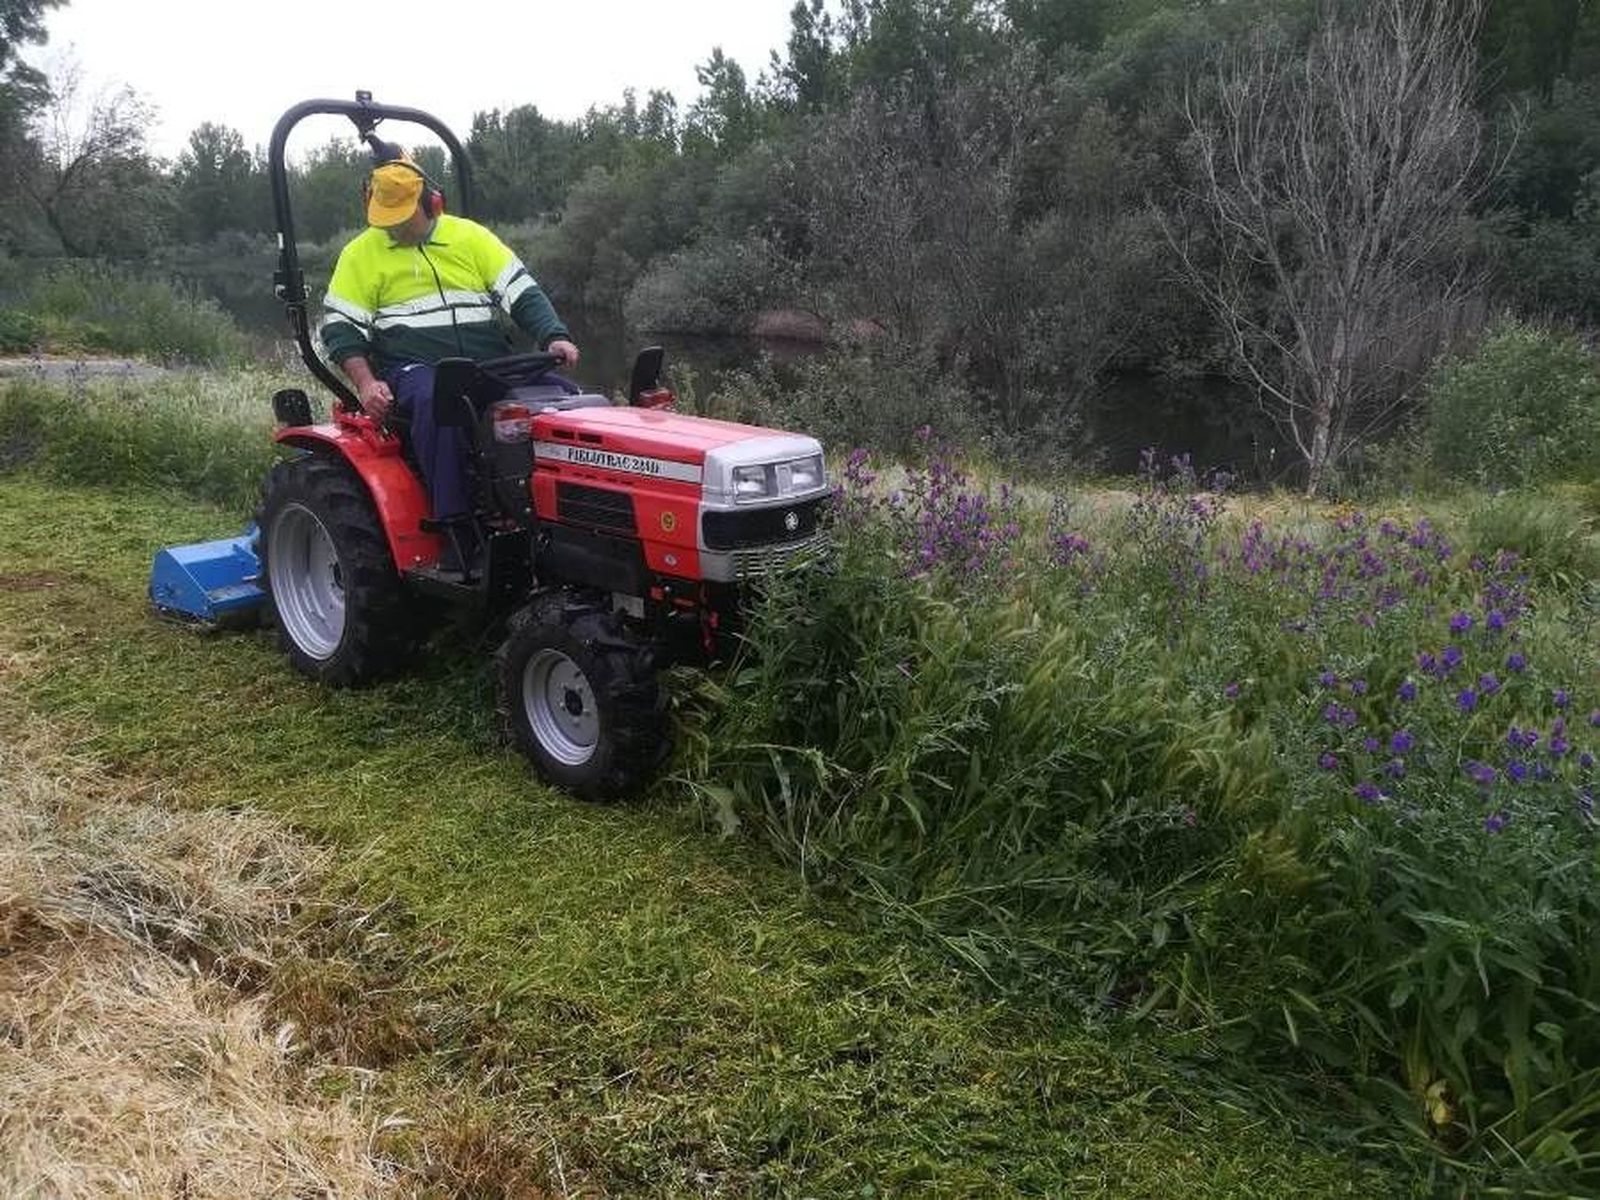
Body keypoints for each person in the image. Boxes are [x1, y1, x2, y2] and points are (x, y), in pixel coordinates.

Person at [319, 153, 580, 573]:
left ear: (433, 204)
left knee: (565, 401)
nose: (393, 227)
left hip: (489, 361)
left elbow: (521, 291)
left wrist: (555, 334)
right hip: (414, 366)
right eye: (385, 218)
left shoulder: (471, 238)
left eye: (402, 217)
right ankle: (456, 529)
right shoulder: (360, 254)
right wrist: (366, 383)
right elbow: (340, 327)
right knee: (439, 404)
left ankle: (558, 512)